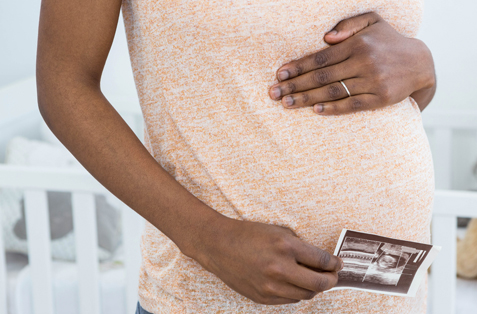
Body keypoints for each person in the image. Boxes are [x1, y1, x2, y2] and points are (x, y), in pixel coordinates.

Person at [36, 0, 436, 313]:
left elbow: (391, 99)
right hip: (210, 303)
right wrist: (208, 238)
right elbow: (63, 84)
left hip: (388, 300)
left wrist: (423, 70)